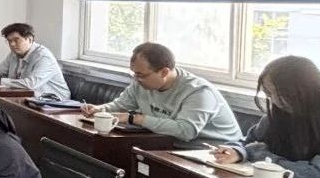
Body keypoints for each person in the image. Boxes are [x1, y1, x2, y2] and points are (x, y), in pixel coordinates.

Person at [80, 42, 241, 145]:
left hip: (215, 153)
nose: (136, 80)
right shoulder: (140, 83)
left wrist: (134, 118)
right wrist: (99, 109)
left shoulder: (198, 92)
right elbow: (120, 105)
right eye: (134, 74)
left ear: (164, 72)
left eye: (141, 75)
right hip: (168, 146)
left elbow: (185, 131)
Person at [0, 23, 70, 99]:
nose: (12, 44)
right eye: (9, 41)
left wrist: (0, 81)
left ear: (30, 39)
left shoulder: (43, 57)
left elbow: (31, 84)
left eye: (16, 40)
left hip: (56, 102)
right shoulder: (14, 54)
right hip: (30, 98)